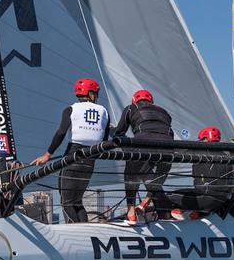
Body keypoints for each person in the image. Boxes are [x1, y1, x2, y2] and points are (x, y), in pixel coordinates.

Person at [32, 78, 110, 223]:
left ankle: (76, 232)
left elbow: (61, 132)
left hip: (72, 158)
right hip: (90, 161)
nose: (97, 97)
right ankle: (86, 232)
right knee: (77, 201)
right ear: (91, 94)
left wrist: (47, 155)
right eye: (96, 94)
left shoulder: (70, 109)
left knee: (67, 202)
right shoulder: (104, 111)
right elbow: (104, 141)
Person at [114, 89, 174, 222]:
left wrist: (128, 152)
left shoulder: (131, 108)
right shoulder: (164, 112)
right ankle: (149, 203)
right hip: (169, 146)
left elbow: (119, 133)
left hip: (143, 142)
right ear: (151, 102)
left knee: (130, 173)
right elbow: (168, 131)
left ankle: (131, 210)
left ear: (134, 101)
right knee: (155, 178)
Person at [169, 126, 234, 220]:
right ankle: (198, 214)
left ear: (204, 138)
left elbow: (179, 152)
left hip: (203, 198)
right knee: (193, 195)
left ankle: (164, 214)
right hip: (220, 202)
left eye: (201, 139)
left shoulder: (198, 151)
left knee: (170, 196)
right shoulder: (226, 157)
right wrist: (225, 189)